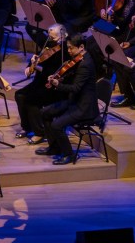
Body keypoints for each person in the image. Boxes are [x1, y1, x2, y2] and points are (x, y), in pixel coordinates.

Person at [37, 33, 98, 165]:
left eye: (71, 48)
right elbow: (73, 77)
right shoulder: (79, 59)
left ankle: (69, 154)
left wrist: (58, 85)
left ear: (81, 47)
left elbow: (76, 88)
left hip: (84, 106)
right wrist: (59, 77)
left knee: (56, 125)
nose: (69, 51)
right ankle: (54, 147)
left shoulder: (85, 63)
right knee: (44, 112)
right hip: (74, 100)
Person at [15, 23, 68, 141]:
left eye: (53, 38)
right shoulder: (49, 45)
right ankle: (26, 127)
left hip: (51, 86)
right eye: (49, 36)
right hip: (39, 82)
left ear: (62, 37)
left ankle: (40, 132)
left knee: (31, 100)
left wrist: (36, 66)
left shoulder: (64, 51)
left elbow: (53, 72)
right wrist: (30, 66)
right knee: (19, 94)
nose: (50, 40)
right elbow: (39, 57)